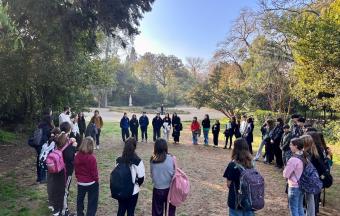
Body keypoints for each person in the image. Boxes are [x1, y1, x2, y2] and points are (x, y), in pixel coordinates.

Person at [50, 122, 77, 216]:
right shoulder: (67, 140)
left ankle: (56, 209)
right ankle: (64, 211)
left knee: (58, 188)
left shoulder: (57, 138)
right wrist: (74, 148)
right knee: (65, 190)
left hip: (57, 167)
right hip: (66, 170)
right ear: (69, 129)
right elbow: (69, 157)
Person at [223, 138, 254, 216]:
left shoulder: (233, 165)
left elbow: (229, 184)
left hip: (236, 201)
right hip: (250, 200)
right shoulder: (252, 163)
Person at [116, 137, 145, 216]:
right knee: (130, 212)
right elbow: (141, 178)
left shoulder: (118, 160)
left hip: (121, 190)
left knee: (121, 210)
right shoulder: (138, 161)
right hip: (133, 191)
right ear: (135, 147)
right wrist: (136, 184)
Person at [301, 135, 325, 216]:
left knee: (310, 200)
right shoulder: (313, 152)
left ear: (305, 143)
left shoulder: (310, 154)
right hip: (311, 181)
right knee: (310, 200)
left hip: (310, 181)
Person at [150, 139, 176, 216]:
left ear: (155, 147)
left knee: (157, 211)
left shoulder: (152, 159)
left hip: (158, 189)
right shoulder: (172, 158)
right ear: (166, 147)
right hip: (170, 189)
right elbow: (175, 174)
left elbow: (152, 175)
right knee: (170, 212)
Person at [74, 137, 99, 216]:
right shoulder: (92, 158)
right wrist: (96, 180)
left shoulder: (77, 156)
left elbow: (76, 169)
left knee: (80, 200)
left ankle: (80, 214)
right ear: (91, 146)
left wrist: (78, 177)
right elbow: (94, 173)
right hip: (91, 182)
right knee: (92, 202)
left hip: (81, 182)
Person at [40, 127, 61, 212]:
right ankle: (52, 203)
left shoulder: (48, 140)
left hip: (46, 164)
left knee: (50, 182)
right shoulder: (55, 142)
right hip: (53, 165)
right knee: (53, 183)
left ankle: (50, 200)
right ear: (57, 134)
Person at [283, 138, 305, 216]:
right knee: (300, 207)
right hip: (302, 185)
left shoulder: (293, 159)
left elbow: (285, 174)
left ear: (296, 146)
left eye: (291, 145)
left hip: (294, 186)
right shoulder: (305, 156)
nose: (290, 146)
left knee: (293, 208)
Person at [36, 113, 54, 183]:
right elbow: (50, 136)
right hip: (44, 146)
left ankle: (39, 177)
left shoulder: (39, 126)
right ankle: (43, 178)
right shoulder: (48, 127)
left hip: (37, 144)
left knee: (38, 160)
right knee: (43, 161)